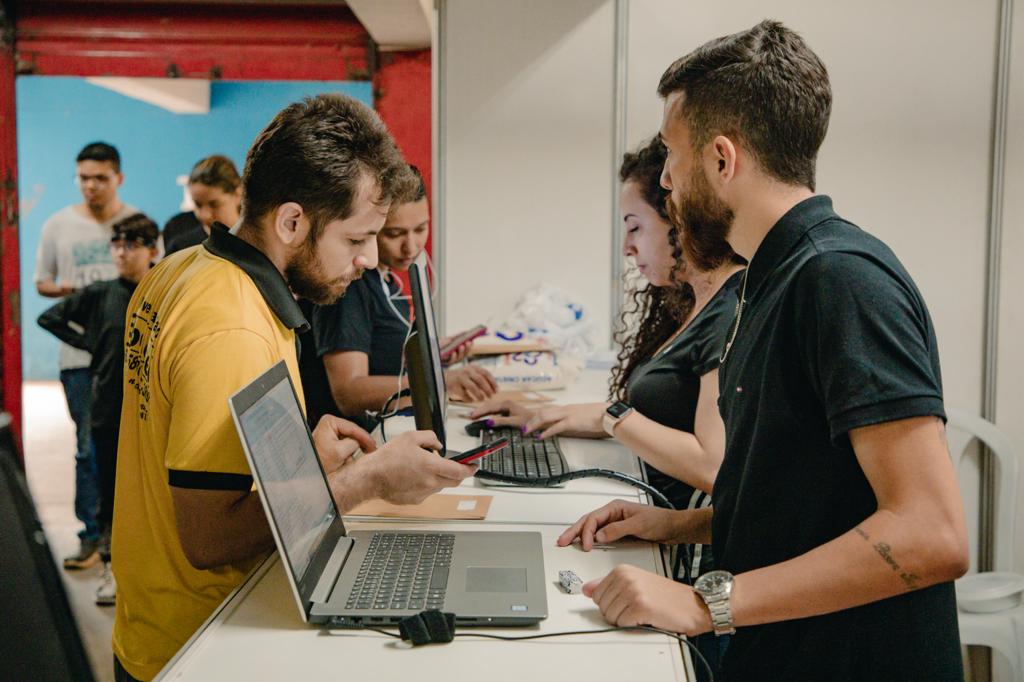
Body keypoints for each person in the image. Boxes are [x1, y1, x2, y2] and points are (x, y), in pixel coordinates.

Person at [558, 20, 968, 680]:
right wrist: (675, 526)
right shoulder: (767, 280)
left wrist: (703, 602)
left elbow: (931, 535)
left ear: (722, 158)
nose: (665, 179)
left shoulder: (840, 280)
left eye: (671, 155)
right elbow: (804, 500)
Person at [111, 95, 478, 681]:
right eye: (356, 239)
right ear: (291, 221)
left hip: (153, 620)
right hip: (204, 637)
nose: (365, 261)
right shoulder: (232, 324)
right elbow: (209, 536)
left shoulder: (183, 270)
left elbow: (183, 454)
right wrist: (364, 480)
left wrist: (303, 461)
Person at [471, 138, 743, 679]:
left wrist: (611, 416)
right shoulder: (696, 304)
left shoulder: (729, 308)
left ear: (676, 218)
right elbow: (650, 415)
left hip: (691, 564)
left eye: (634, 226)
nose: (626, 246)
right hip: (662, 530)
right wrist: (547, 413)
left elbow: (712, 466)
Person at [301, 165, 497, 430]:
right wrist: (438, 380)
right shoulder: (350, 287)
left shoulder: (387, 281)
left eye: (421, 229)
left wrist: (433, 354)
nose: (412, 245)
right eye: (395, 234)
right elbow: (348, 393)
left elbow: (381, 351)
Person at [38, 213, 159, 607]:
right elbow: (49, 316)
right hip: (109, 409)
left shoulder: (166, 290)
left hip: (156, 410)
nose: (123, 253)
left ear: (152, 250)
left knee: (155, 493)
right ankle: (112, 566)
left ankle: (153, 571)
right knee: (110, 491)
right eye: (117, 245)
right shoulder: (101, 293)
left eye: (132, 245)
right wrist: (91, 341)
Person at [34, 141, 138, 570]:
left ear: (118, 178)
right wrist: (88, 296)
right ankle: (90, 535)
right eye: (84, 178)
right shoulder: (58, 226)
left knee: (126, 448)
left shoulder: (136, 224)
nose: (91, 186)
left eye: (100, 177)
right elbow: (43, 283)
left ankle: (124, 537)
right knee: (85, 448)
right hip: (80, 362)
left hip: (127, 360)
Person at [163, 155, 243, 255]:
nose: (205, 215)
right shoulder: (180, 248)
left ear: (238, 194)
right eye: (198, 205)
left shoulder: (260, 243)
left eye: (214, 204)